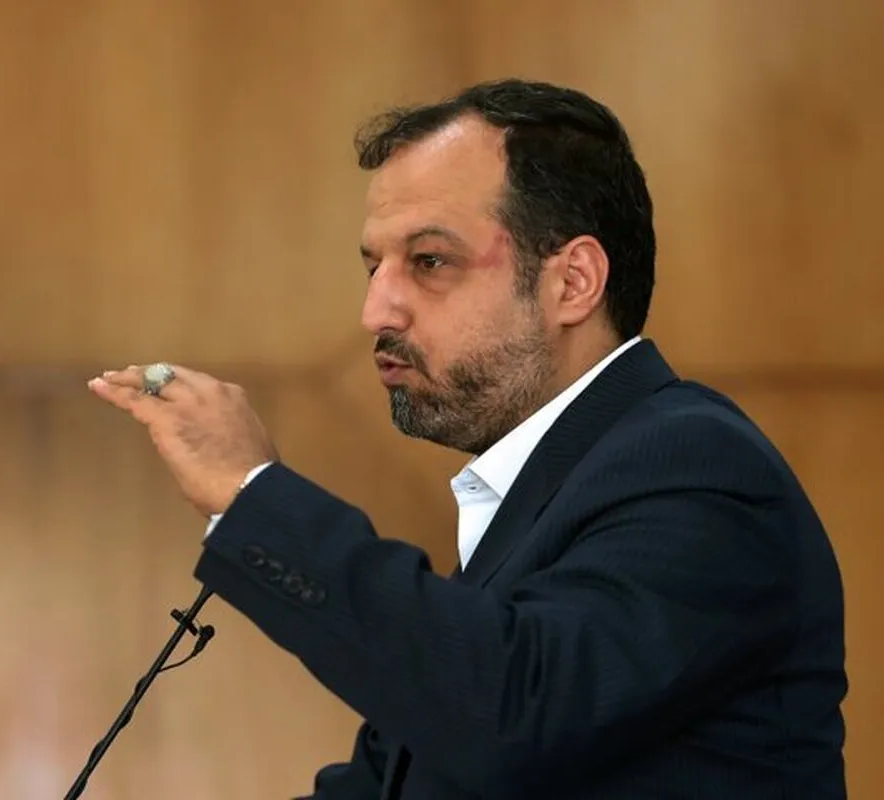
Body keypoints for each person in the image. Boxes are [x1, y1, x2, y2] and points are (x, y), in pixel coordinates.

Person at [88, 79, 848, 798]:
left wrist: (253, 495)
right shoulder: (548, 496)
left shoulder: (695, 467)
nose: (376, 311)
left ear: (573, 282)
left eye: (429, 262)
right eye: (373, 267)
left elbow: (512, 711)